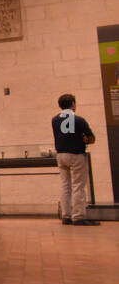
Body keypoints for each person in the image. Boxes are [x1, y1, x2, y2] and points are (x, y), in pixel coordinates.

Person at [53, 93, 99, 225]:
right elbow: (91, 138)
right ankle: (78, 216)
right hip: (76, 154)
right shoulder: (79, 120)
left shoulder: (54, 120)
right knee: (78, 186)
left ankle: (66, 215)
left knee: (65, 186)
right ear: (73, 104)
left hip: (61, 155)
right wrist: (85, 139)